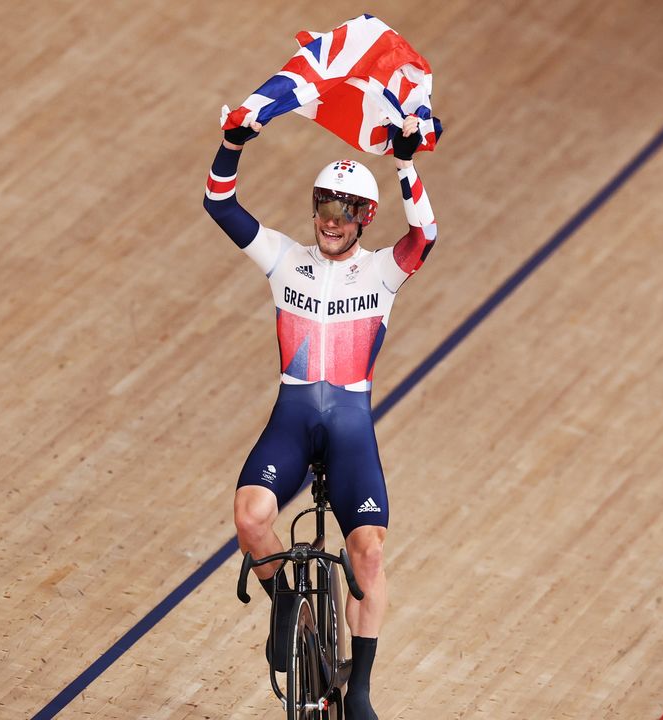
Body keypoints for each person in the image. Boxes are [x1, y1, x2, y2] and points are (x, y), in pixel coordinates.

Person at [202, 114, 437, 720]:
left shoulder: (383, 272)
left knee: (369, 555)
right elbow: (218, 202)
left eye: (343, 212)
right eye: (322, 210)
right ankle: (290, 608)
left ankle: (357, 690)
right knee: (251, 517)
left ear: (365, 218)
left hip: (351, 427)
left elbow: (426, 234)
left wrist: (406, 165)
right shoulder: (283, 258)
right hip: (294, 415)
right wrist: (233, 143)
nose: (330, 223)